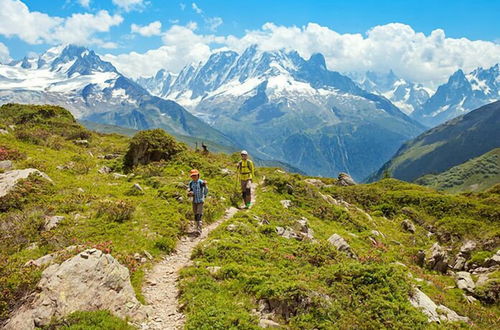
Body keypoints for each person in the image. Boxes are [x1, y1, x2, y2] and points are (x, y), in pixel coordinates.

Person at [187, 169, 208, 236]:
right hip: (194, 201)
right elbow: (188, 190)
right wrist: (189, 193)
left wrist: (205, 195)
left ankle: (199, 229)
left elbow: (206, 190)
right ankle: (196, 228)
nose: (194, 177)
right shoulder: (190, 183)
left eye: (195, 175)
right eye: (192, 176)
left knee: (199, 214)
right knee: (195, 214)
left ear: (198, 175)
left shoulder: (201, 182)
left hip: (200, 201)